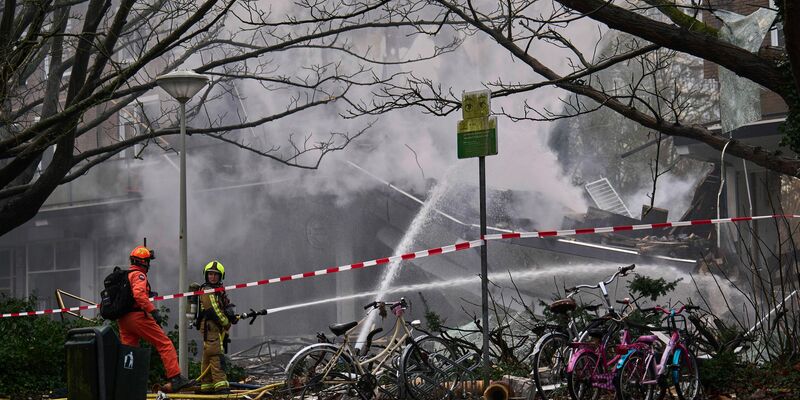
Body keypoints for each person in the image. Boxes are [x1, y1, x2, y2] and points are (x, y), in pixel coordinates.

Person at [118, 245, 192, 392]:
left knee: (129, 352)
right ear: (143, 262)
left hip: (123, 320)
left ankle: (128, 384)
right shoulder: (139, 275)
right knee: (164, 343)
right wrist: (153, 311)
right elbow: (139, 295)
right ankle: (176, 378)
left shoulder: (125, 276)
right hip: (137, 317)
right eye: (148, 261)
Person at [196, 260, 237, 394]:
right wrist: (226, 322)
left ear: (220, 276)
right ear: (206, 275)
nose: (212, 277)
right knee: (216, 353)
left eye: (216, 275)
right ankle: (221, 386)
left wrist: (231, 314)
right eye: (210, 274)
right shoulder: (207, 290)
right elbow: (212, 310)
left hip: (214, 325)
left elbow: (223, 306)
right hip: (210, 325)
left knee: (209, 353)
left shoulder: (218, 290)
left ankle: (206, 385)